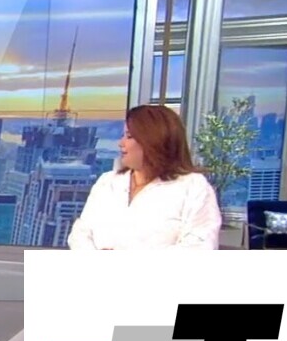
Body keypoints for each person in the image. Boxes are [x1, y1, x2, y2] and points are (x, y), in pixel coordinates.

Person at [67, 105, 221, 250]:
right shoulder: (107, 182)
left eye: (129, 136)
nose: (121, 143)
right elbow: (81, 232)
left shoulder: (193, 187)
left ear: (153, 140)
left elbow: (199, 245)